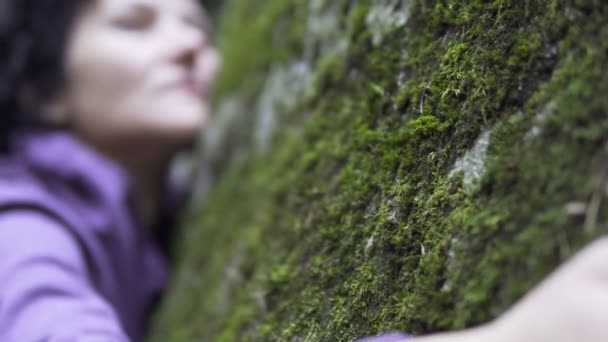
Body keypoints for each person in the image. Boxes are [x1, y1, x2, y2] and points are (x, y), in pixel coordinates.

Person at [0, 0, 607, 341]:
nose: (190, 48)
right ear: (39, 91)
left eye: (198, 29)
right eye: (134, 24)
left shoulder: (154, 226)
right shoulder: (18, 220)